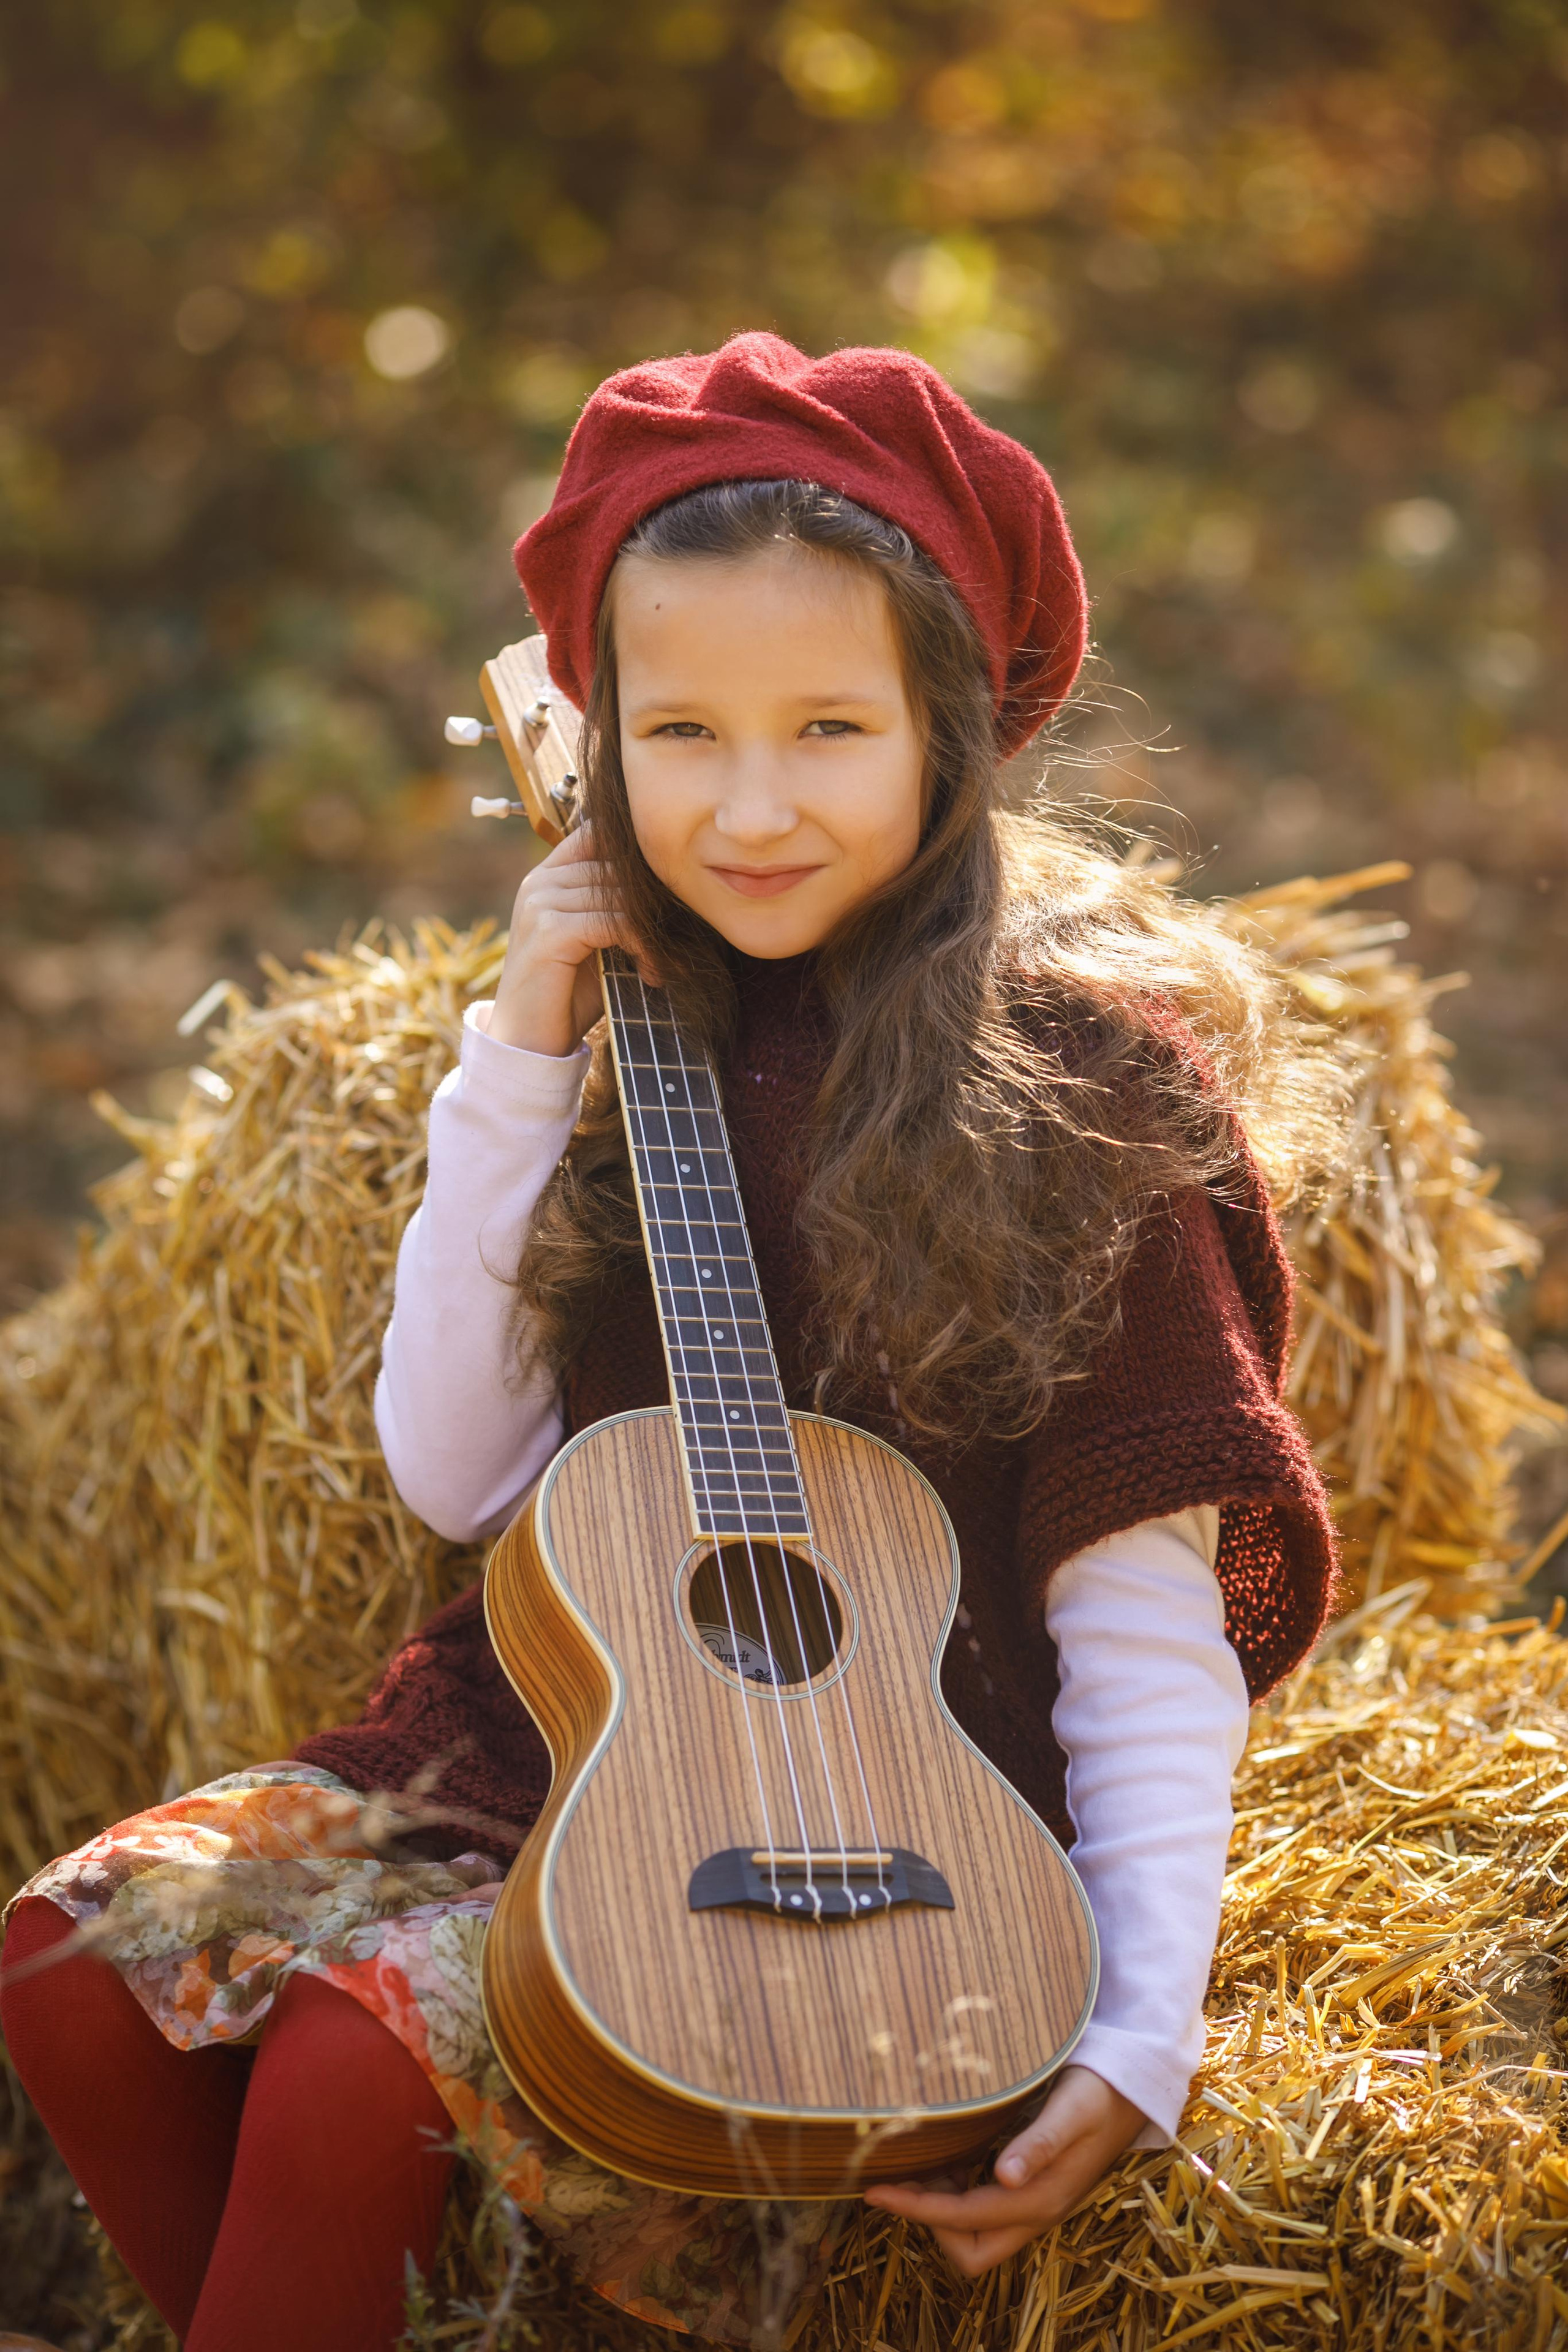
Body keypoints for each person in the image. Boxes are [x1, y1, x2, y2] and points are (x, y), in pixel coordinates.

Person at [2, 334, 1337, 2350]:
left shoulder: (1087, 1096)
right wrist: (520, 1058)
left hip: (888, 1791)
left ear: (949, 738)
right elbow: (459, 1476)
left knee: (351, 2074)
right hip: (548, 1724)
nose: (754, 805)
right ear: (589, 745)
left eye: (828, 729)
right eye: (684, 735)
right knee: (70, 1977)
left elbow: (1145, 1623)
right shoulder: (617, 1031)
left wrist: (1139, 2034)